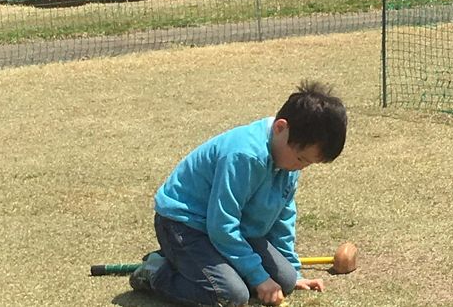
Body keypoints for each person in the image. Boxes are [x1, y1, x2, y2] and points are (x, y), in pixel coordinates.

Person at [130, 80, 348, 306]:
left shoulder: (288, 159)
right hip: (184, 226)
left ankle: (195, 263)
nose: (302, 167)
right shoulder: (245, 155)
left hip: (231, 229)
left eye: (310, 163)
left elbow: (283, 218)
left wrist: (294, 273)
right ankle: (156, 273)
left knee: (285, 281)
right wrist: (259, 277)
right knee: (231, 295)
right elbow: (222, 225)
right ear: (280, 128)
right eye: (302, 159)